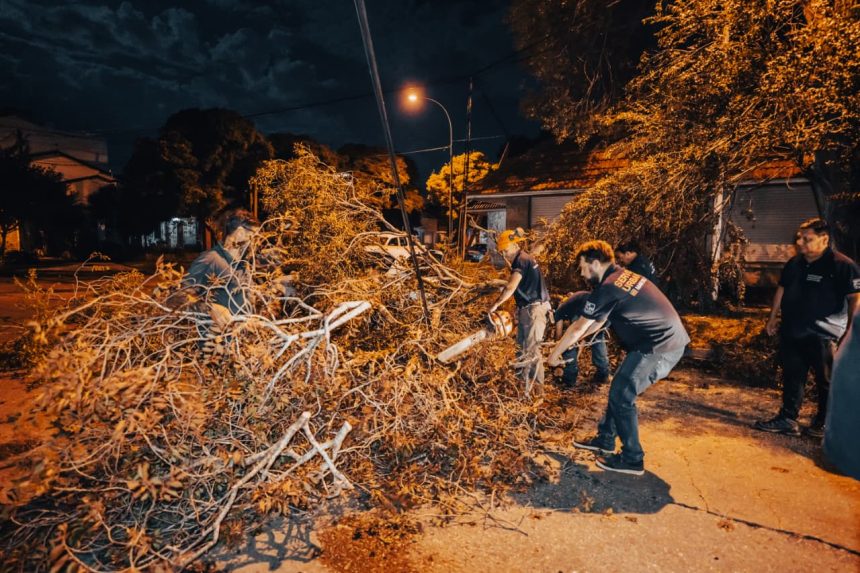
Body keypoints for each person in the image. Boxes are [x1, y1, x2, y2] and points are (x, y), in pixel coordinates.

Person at [548, 240, 690, 475]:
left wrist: (554, 354)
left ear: (594, 263)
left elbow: (577, 328)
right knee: (619, 389)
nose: (582, 274)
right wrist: (576, 340)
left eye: (583, 267)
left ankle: (632, 459)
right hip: (660, 341)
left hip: (660, 345)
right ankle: (605, 440)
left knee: (622, 394)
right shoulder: (622, 277)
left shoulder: (608, 288)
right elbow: (596, 323)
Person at [755, 218, 860, 438]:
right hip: (793, 331)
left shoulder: (843, 266)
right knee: (793, 377)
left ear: (824, 239)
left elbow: (855, 300)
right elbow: (782, 290)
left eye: (807, 239)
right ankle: (788, 419)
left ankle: (823, 424)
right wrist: (772, 318)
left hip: (824, 335)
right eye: (799, 238)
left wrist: (851, 332)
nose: (800, 242)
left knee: (826, 381)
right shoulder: (795, 263)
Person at [488, 228, 551, 396]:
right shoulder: (523, 259)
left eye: (506, 250)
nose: (505, 254)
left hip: (535, 309)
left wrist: (495, 305)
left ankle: (538, 391)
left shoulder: (521, 260)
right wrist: (518, 308)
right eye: (502, 251)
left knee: (531, 351)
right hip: (528, 308)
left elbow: (511, 287)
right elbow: (523, 288)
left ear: (515, 245)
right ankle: (520, 385)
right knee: (521, 348)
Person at [178, 208, 261, 316]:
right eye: (255, 236)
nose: (257, 242)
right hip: (216, 333)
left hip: (241, 331)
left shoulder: (243, 264)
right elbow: (178, 297)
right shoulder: (211, 259)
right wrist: (210, 308)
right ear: (240, 233)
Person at [553, 291, 610, 388]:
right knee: (572, 344)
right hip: (595, 315)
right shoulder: (572, 302)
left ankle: (602, 374)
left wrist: (562, 345)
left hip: (593, 317)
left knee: (594, 342)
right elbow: (581, 336)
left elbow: (582, 335)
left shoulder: (562, 309)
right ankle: (571, 379)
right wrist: (560, 342)